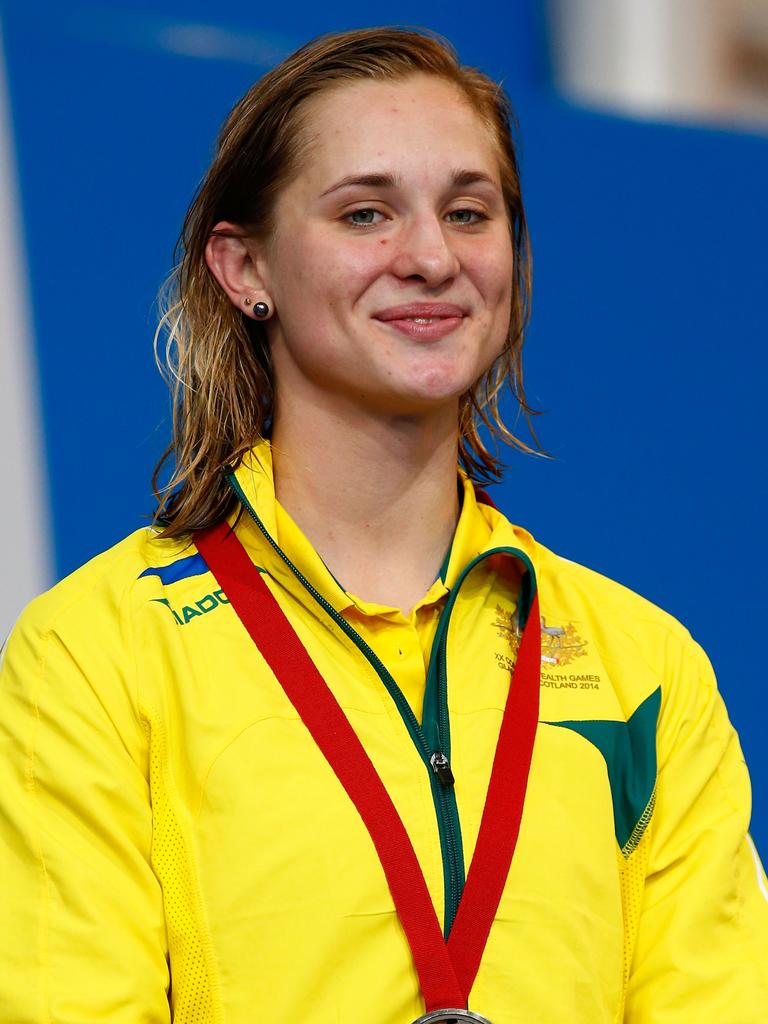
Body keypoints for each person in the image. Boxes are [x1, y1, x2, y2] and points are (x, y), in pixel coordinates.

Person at [1, 26, 766, 1024]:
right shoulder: (96, 654)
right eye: (367, 213)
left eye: (469, 212)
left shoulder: (648, 668)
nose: (432, 257)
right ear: (244, 269)